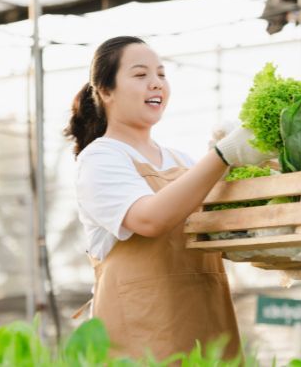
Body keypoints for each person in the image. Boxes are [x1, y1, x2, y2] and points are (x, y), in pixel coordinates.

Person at [64, 36, 272, 359]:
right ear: (105, 91)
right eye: (140, 75)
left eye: (161, 74)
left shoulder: (183, 162)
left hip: (208, 327)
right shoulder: (100, 158)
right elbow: (149, 219)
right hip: (142, 336)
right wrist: (223, 155)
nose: (156, 84)